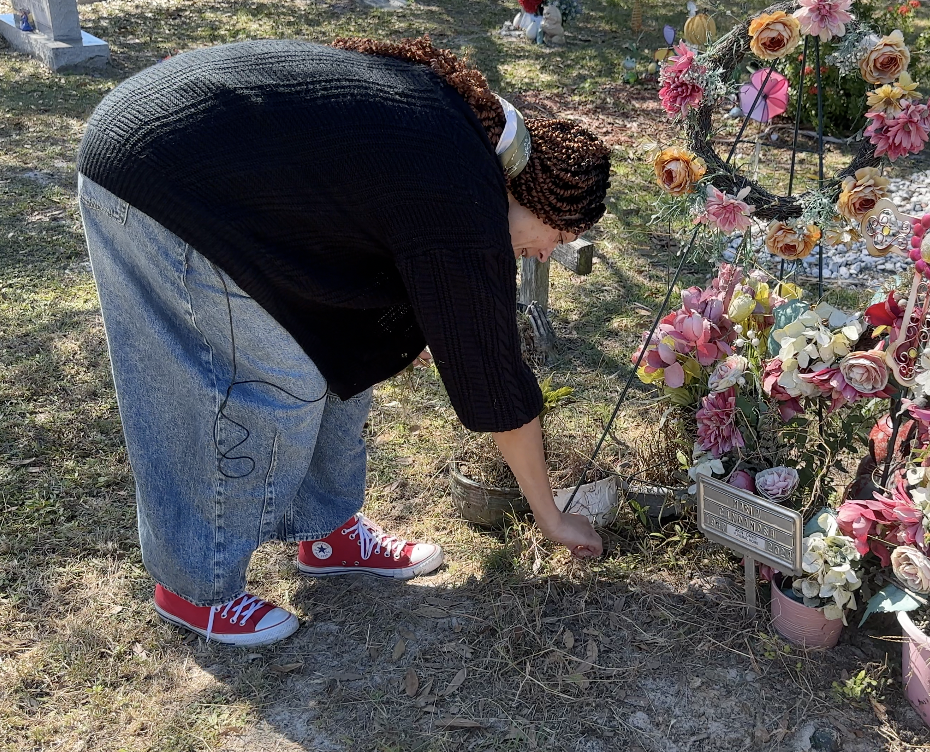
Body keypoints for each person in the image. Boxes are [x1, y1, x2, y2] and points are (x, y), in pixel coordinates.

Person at [76, 36, 611, 647]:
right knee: (270, 382)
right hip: (155, 176)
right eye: (555, 234)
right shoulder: (462, 194)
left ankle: (325, 531)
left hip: (202, 168)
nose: (545, 251)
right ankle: (194, 587)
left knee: (340, 350)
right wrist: (551, 515)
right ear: (531, 193)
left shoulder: (464, 143)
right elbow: (494, 381)